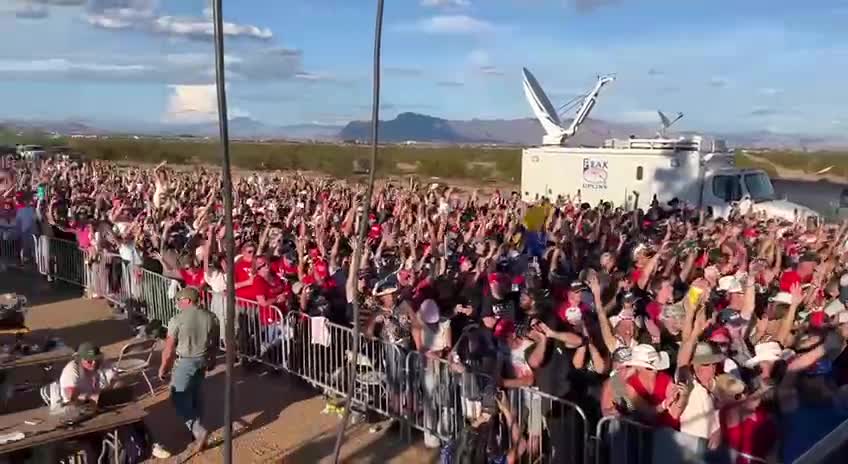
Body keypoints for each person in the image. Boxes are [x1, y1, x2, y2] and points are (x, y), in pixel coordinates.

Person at [158, 286, 220, 454]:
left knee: (177, 397)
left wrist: (163, 368)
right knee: (195, 395)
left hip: (185, 362)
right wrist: (212, 360)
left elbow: (169, 348)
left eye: (179, 300)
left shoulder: (177, 319)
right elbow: (215, 343)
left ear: (187, 300)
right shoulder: (211, 317)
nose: (177, 303)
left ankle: (198, 430)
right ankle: (196, 433)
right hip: (202, 360)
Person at [41, 342, 115, 409]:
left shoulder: (98, 364)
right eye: (89, 361)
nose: (94, 363)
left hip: (95, 405)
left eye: (96, 359)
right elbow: (71, 397)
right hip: (75, 408)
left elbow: (115, 379)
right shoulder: (71, 370)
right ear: (80, 359)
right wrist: (90, 397)